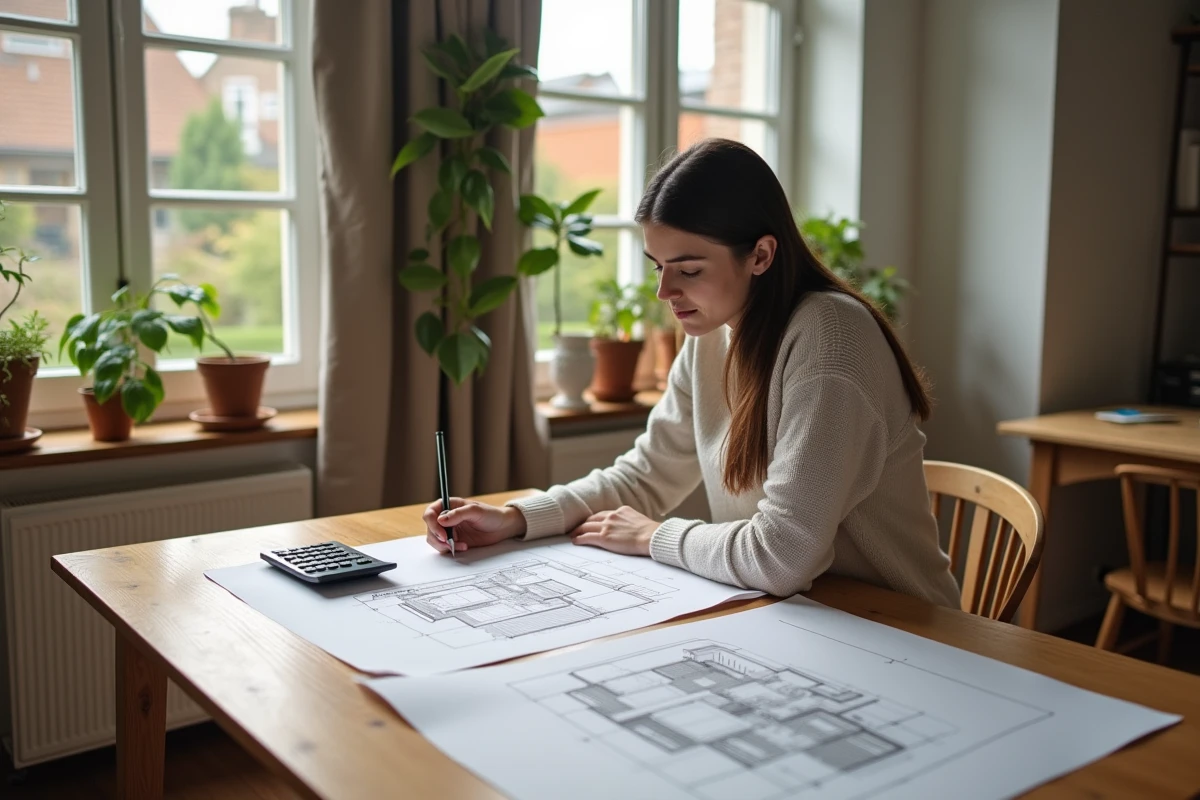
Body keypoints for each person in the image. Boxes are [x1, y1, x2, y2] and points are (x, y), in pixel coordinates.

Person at [423, 138, 960, 607]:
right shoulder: (714, 335)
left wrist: (653, 537)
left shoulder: (832, 340)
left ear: (761, 255)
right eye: (659, 267)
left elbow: (782, 557)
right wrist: (516, 518)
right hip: (802, 620)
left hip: (903, 633)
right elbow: (643, 478)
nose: (664, 292)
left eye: (689, 270)